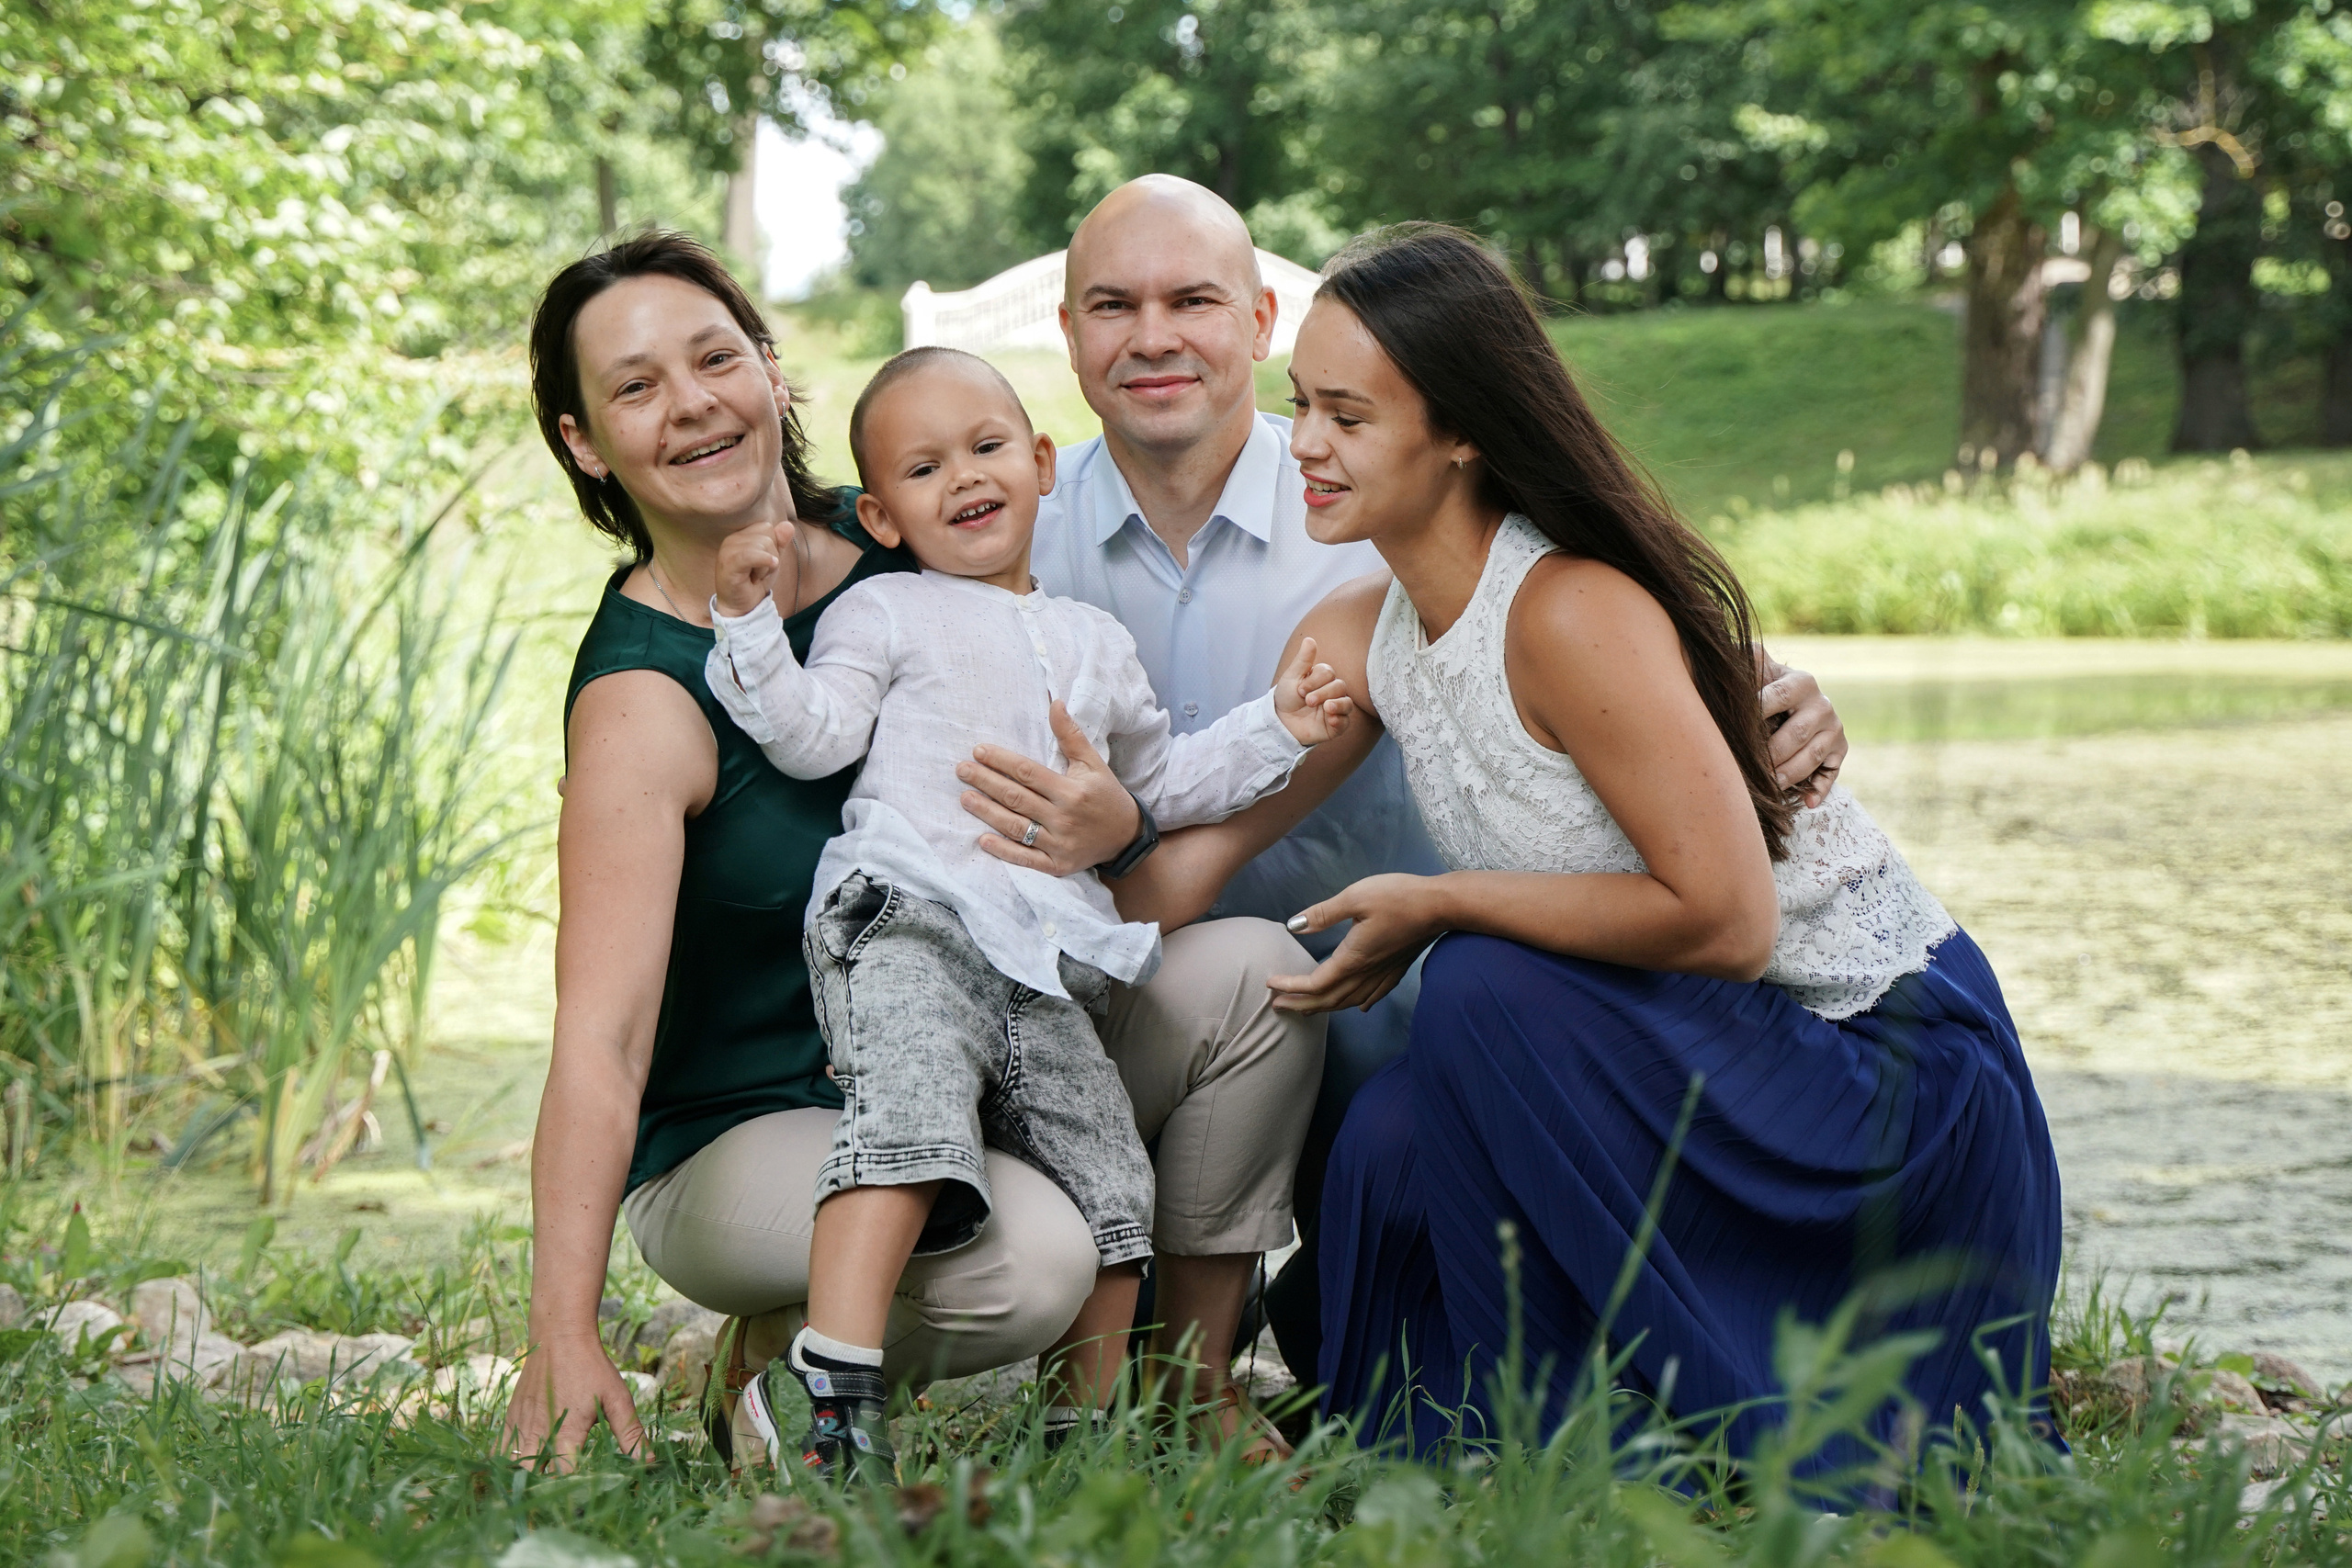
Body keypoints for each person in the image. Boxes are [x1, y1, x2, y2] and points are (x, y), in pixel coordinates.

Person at [1173, 223, 2063, 1463]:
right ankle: (1460, 1438)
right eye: (1298, 404)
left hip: (1880, 1083)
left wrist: (1446, 901)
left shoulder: (1570, 608)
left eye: (1346, 414)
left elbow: (1732, 922)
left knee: (1477, 984)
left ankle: (1583, 1435)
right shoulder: (1354, 633)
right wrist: (1049, 843)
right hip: (1712, 1057)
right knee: (1389, 1134)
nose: (1302, 444)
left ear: (1464, 428)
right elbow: (1191, 859)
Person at [956, 175, 1855, 1386]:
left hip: (1425, 1011)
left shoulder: (1367, 485)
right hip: (1150, 1018)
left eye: (1194, 299)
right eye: (1113, 304)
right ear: (1065, 332)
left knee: (1372, 1321)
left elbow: (1581, 613)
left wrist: (1755, 687)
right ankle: (1171, 1344)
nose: (1154, 334)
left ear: (1261, 318)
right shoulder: (1000, 530)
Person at [500, 231, 1327, 1472]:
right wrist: (560, 1330)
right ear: (584, 441)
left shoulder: (909, 534)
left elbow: (1089, 732)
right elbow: (603, 1038)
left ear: (771, 371)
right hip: (758, 1123)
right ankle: (780, 1362)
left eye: (715, 356)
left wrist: (1120, 818)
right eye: (634, 386)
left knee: (1256, 973)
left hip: (997, 1025)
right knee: (1034, 1252)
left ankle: (1169, 1389)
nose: (691, 404)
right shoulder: (644, 699)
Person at [698, 346, 1355, 1478]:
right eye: (923, 467)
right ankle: (835, 1397)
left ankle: (1086, 1441)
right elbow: (809, 733)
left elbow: (1168, 780)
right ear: (881, 514)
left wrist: (1278, 727)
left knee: (1114, 1184)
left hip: (1043, 965)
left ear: (1042, 463)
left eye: (987, 447)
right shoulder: (886, 611)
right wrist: (749, 624)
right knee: (908, 1127)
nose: (964, 475)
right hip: (905, 919)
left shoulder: (1096, 643)